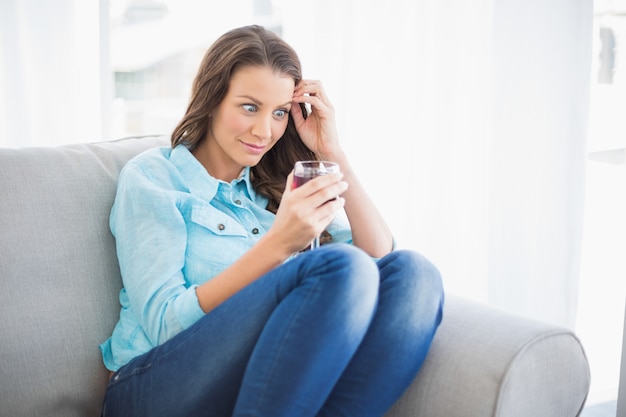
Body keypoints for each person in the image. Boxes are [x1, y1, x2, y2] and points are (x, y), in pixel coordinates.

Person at [99, 25, 444, 417]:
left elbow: (378, 257)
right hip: (152, 383)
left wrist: (331, 149)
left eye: (279, 113)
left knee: (416, 276)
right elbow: (165, 325)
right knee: (340, 268)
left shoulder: (278, 187)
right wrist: (277, 245)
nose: (265, 131)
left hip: (257, 379)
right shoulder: (154, 177)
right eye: (249, 107)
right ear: (212, 100)